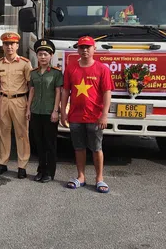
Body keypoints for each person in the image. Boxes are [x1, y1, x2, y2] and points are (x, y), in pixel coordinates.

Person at [60, 36, 113, 193]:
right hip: (75, 116)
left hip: (95, 117)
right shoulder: (71, 68)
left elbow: (107, 93)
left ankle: (99, 179)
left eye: (88, 47)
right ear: (77, 49)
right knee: (79, 148)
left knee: (97, 148)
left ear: (94, 49)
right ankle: (81, 176)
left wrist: (104, 114)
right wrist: (63, 111)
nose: (84, 50)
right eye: (81, 47)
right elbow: (65, 91)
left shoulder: (102, 69)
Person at [0, 32, 32, 178]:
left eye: (12, 44)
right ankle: (2, 163)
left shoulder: (25, 63)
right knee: (3, 133)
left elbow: (30, 85)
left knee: (22, 134)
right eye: (6, 44)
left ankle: (22, 166)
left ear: (17, 45)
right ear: (2, 46)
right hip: (3, 100)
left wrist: (29, 105)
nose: (9, 46)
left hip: (19, 100)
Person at [26, 39, 63, 183]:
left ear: (51, 56)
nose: (42, 57)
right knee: (38, 143)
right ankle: (41, 170)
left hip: (49, 113)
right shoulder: (33, 73)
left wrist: (55, 111)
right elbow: (32, 91)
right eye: (40, 54)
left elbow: (58, 92)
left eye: (46, 54)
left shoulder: (56, 73)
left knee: (50, 144)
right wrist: (28, 109)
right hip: (36, 111)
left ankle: (49, 172)